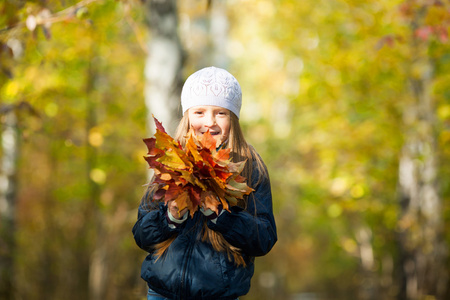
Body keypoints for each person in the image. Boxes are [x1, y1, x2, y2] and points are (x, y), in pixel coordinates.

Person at [132, 66, 277, 300]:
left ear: (233, 118)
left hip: (219, 295)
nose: (209, 122)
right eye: (199, 112)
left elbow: (264, 238)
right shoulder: (172, 159)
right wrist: (169, 218)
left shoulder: (249, 166)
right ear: (187, 115)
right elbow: (141, 234)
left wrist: (222, 217)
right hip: (162, 294)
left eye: (221, 113)